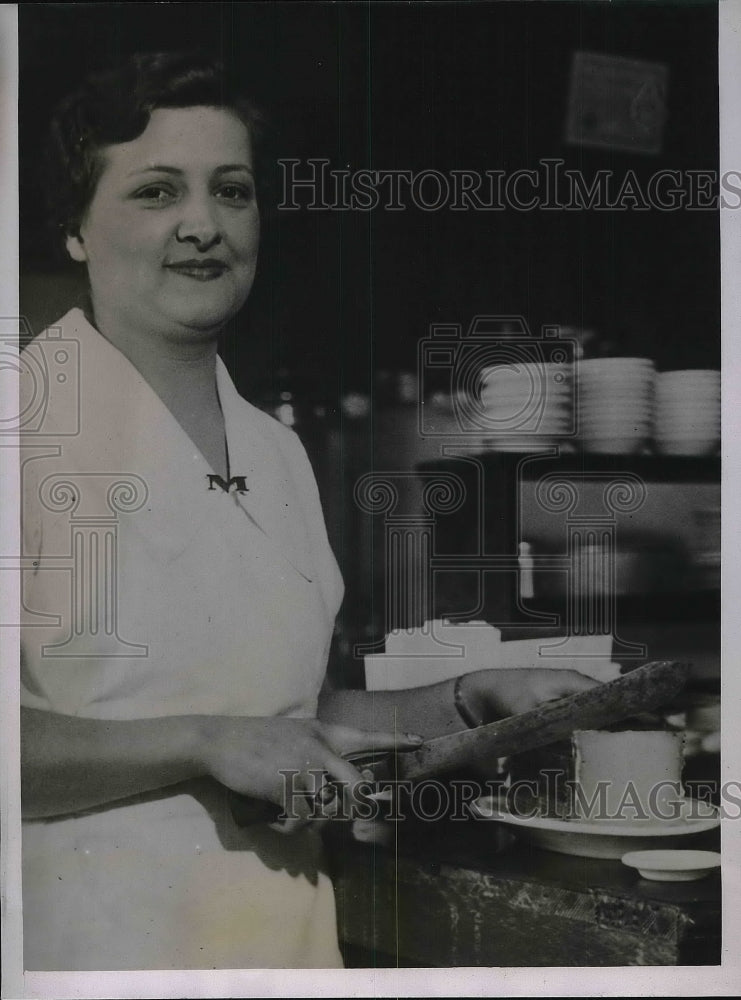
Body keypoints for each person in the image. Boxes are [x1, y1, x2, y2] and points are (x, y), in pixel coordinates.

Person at [19, 51, 596, 971]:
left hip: (280, 934)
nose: (202, 225)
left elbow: (276, 712)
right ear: (74, 228)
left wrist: (461, 702)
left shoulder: (274, 448)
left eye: (233, 192)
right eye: (156, 193)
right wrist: (204, 742)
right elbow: (215, 731)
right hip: (90, 942)